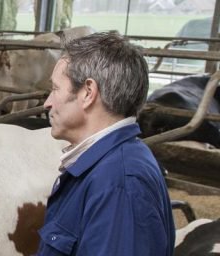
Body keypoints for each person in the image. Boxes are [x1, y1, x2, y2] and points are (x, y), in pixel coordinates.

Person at [38, 32, 174, 255]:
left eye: (55, 89)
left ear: (88, 93)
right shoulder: (109, 166)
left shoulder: (119, 184)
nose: (47, 103)